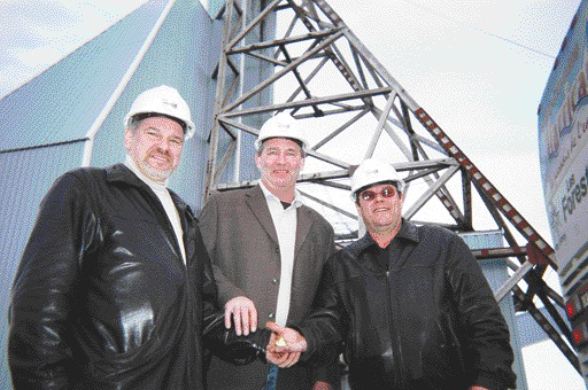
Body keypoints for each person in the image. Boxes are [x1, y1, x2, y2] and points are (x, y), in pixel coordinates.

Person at [8, 85, 263, 389]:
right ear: (129, 138)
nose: (164, 147)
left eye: (174, 140)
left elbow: (197, 310)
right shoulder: (86, 191)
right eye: (153, 134)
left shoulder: (184, 216)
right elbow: (38, 311)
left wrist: (256, 341)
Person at [266, 158, 517, 390]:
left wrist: (486, 382)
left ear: (400, 197)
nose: (379, 200)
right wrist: (303, 336)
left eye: (387, 192)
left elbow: (484, 320)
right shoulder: (342, 265)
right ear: (358, 205)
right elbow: (329, 322)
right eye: (368, 195)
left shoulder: (443, 245)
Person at [199, 113, 339, 390]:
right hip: (228, 369)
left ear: (301, 162)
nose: (281, 161)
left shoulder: (321, 229)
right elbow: (196, 267)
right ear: (258, 159)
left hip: (294, 372)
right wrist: (230, 294)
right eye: (273, 152)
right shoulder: (222, 208)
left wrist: (323, 374)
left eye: (290, 153)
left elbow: (328, 307)